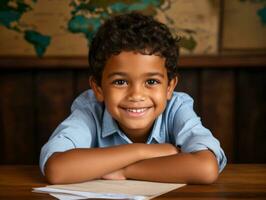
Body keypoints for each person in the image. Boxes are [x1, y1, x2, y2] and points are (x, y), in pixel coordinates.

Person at [40, 12, 226, 184]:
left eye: (151, 81)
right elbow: (57, 170)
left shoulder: (177, 107)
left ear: (169, 87)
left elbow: (206, 168)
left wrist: (126, 170)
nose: (136, 95)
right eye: (120, 82)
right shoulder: (90, 109)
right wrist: (145, 151)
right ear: (98, 88)